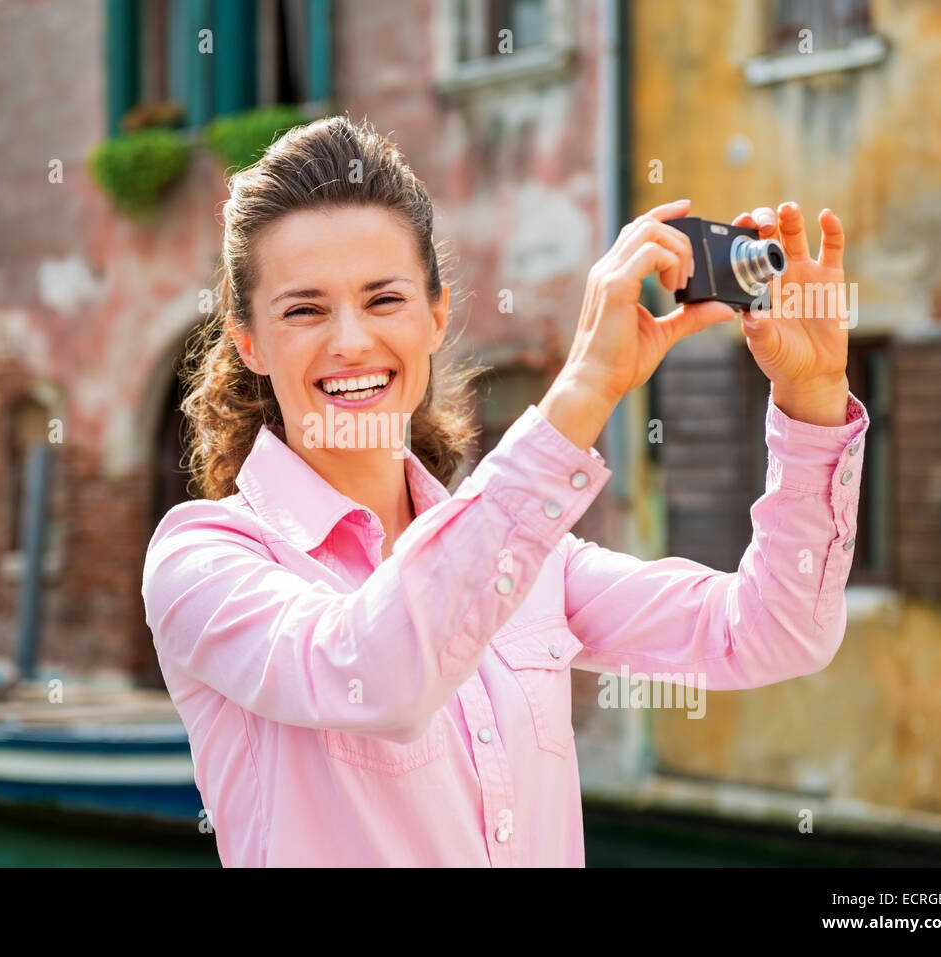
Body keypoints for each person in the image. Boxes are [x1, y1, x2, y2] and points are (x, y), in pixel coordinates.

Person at [141, 115, 869, 867]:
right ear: (250, 342)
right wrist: (585, 387)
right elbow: (369, 672)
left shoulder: (531, 559)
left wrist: (812, 400)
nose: (351, 341)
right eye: (304, 309)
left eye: (384, 300)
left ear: (435, 317)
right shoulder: (203, 560)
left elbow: (774, 632)